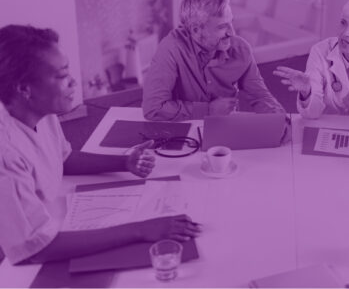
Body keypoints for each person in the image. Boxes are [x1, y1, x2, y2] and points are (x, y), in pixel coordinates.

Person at [0, 25, 201, 265]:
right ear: (24, 89)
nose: (73, 82)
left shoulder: (39, 111)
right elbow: (36, 248)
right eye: (62, 76)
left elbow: (62, 158)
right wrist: (140, 229)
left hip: (51, 216)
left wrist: (124, 162)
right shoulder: (5, 153)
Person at [142, 0, 285, 121]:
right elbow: (153, 108)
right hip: (181, 129)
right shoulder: (172, 48)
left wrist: (280, 120)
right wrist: (208, 110)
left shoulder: (241, 49)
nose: (232, 33)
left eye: (231, 23)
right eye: (222, 27)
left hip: (225, 127)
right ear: (196, 30)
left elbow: (260, 97)